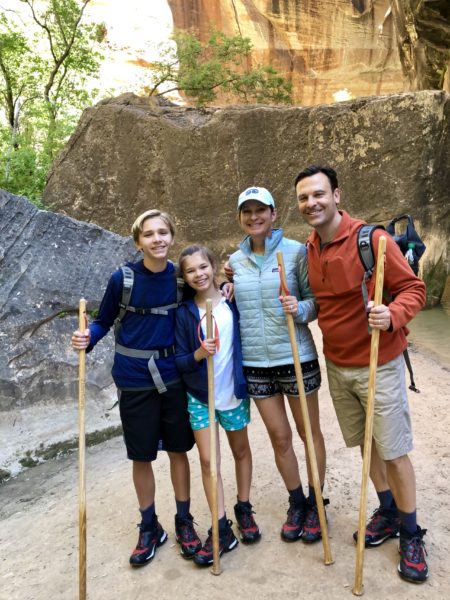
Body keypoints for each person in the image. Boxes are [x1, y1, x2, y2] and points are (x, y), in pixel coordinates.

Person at [294, 164, 429, 583]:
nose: (311, 203)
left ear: (337, 194)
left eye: (318, 194)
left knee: (394, 449)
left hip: (380, 361)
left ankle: (410, 531)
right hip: (337, 364)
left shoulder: (373, 240)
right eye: (303, 198)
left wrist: (391, 314)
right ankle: (387, 510)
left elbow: (414, 290)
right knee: (367, 445)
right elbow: (319, 302)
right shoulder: (311, 248)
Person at [71, 209, 201, 567]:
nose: (157, 239)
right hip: (133, 378)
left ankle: (184, 521)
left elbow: (204, 301)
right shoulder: (123, 279)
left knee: (178, 450)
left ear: (172, 237)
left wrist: (227, 285)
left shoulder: (180, 278)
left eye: (163, 232)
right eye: (149, 234)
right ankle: (149, 525)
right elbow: (103, 321)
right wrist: (88, 338)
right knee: (140, 455)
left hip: (172, 375)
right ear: (138, 241)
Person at [228, 186, 327, 544]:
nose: (253, 217)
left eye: (260, 210)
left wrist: (298, 309)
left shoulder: (297, 252)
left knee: (308, 432)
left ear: (273, 214)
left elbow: (315, 302)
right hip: (256, 363)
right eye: (246, 211)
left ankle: (317, 501)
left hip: (295, 357)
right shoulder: (234, 262)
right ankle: (297, 500)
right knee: (280, 437)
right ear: (240, 217)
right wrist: (226, 290)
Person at [175, 245, 260, 567]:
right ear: (184, 277)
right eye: (190, 271)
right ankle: (221, 527)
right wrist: (198, 353)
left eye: (202, 267)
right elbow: (180, 360)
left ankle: (244, 507)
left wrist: (233, 285)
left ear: (213, 266)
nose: (199, 274)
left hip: (233, 394)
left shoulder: (231, 301)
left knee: (241, 451)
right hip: (200, 396)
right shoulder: (184, 313)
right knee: (209, 462)